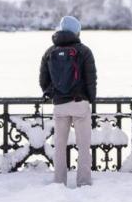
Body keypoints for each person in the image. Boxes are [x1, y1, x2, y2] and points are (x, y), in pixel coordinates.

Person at [39, 15, 97, 187]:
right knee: (84, 146)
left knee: (59, 146)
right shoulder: (84, 51)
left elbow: (43, 80)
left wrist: (52, 94)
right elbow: (90, 80)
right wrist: (90, 100)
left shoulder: (49, 52)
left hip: (59, 105)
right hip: (80, 103)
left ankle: (59, 181)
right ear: (77, 31)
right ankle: (84, 182)